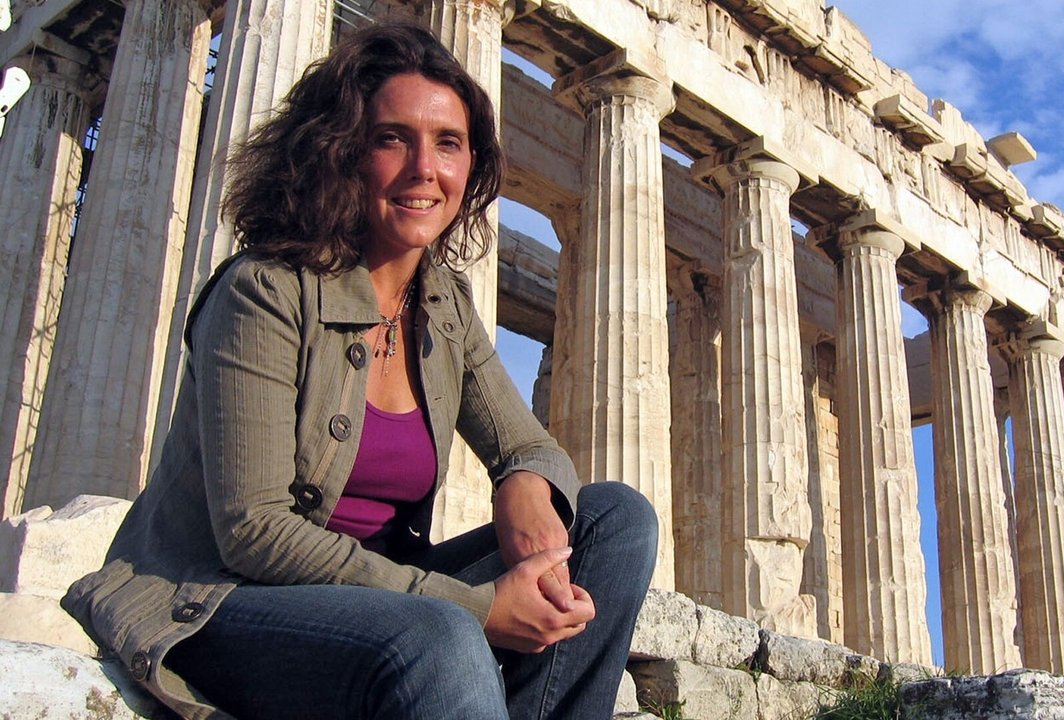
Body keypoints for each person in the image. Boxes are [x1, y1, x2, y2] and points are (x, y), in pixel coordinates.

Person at [61, 22, 657, 720]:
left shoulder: (442, 305)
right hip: (221, 602)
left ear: (472, 167)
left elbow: (525, 443)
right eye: (391, 138)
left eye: (448, 143)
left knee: (616, 519)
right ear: (341, 150)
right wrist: (473, 606)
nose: (422, 170)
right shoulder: (265, 290)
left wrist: (525, 485)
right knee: (441, 635)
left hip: (377, 598)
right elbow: (254, 531)